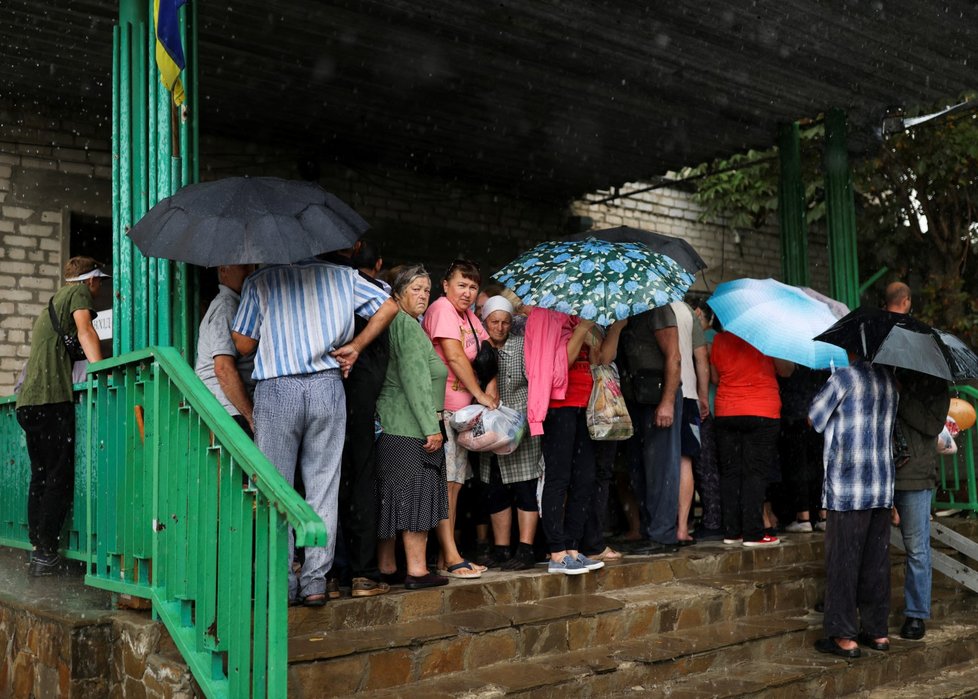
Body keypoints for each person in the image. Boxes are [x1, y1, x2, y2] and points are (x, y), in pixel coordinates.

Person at [231, 255, 398, 607]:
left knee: (276, 488)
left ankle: (281, 582)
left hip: (278, 388)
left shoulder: (262, 280)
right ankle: (315, 582)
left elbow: (243, 344)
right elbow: (388, 306)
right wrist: (356, 345)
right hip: (327, 387)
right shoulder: (343, 276)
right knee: (323, 486)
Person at [17, 257, 107, 576]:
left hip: (28, 403)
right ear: (90, 280)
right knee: (58, 475)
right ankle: (46, 551)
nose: (100, 288)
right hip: (53, 399)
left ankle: (38, 546)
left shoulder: (51, 303)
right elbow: (85, 332)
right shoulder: (78, 294)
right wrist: (103, 372)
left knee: (41, 473)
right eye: (100, 281)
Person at [809, 350, 899, 658]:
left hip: (848, 486)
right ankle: (877, 632)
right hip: (881, 486)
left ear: (853, 348)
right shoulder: (889, 382)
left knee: (844, 562)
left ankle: (843, 636)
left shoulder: (844, 378)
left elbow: (815, 418)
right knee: (876, 563)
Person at [323, 242, 392, 599]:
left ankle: (332, 574)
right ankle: (363, 574)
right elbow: (389, 307)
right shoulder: (352, 281)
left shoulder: (296, 278)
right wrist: (361, 346)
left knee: (325, 482)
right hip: (358, 393)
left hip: (323, 386)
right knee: (361, 479)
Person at [375, 266, 451, 589]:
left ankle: (388, 566)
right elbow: (416, 380)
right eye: (416, 289)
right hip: (409, 427)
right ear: (400, 292)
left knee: (392, 497)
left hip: (394, 426)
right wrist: (431, 426)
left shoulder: (401, 323)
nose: (422, 296)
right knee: (414, 496)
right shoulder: (406, 326)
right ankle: (417, 571)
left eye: (426, 290)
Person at [422, 258, 497, 579]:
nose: (467, 293)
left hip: (463, 414)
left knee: (454, 484)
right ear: (446, 285)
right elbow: (453, 354)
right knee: (447, 485)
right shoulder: (441, 309)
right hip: (444, 408)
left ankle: (446, 556)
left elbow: (487, 351)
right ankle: (450, 556)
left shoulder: (468, 316)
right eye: (461, 285)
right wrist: (481, 395)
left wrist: (490, 387)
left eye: (473, 287)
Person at [886, 282, 949, 641]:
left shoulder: (933, 383)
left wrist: (902, 396)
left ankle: (915, 614)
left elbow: (931, 424)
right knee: (873, 546)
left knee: (917, 548)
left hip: (915, 474)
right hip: (881, 471)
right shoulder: (890, 373)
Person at [525, 307, 603, 574]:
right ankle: (556, 552)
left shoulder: (579, 317)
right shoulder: (545, 315)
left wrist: (607, 329)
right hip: (560, 405)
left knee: (585, 477)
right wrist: (582, 330)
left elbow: (597, 361)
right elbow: (559, 367)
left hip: (586, 404)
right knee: (559, 477)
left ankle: (573, 547)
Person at [476, 296, 543, 570]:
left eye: (505, 322)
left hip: (520, 426)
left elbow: (533, 385)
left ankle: (526, 549)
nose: (500, 327)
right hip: (490, 430)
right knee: (496, 490)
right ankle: (502, 549)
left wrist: (524, 420)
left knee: (525, 487)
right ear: (485, 321)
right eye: (494, 322)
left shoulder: (522, 346)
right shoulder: (478, 347)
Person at [710, 330, 793, 547]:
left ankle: (732, 531)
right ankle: (753, 533)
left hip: (727, 410)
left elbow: (715, 377)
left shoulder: (719, 338)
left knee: (730, 473)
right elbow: (786, 371)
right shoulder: (769, 336)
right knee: (755, 473)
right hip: (762, 410)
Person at [617, 305, 683, 554]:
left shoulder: (659, 308)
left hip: (658, 395)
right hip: (636, 396)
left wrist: (667, 401)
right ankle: (649, 529)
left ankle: (663, 534)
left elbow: (674, 356)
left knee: (661, 467)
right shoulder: (626, 310)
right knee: (639, 468)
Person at [195, 265, 256, 435]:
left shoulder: (237, 304)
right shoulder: (227, 306)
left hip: (229, 407)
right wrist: (251, 417)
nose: (250, 272)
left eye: (252, 267)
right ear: (223, 270)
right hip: (228, 409)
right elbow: (223, 368)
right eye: (244, 268)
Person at [671, 301, 710, 545]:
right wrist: (703, 395)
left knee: (660, 462)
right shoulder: (686, 310)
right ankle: (682, 528)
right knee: (685, 460)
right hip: (687, 394)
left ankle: (657, 526)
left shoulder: (648, 304)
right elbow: (701, 358)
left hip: (656, 392)